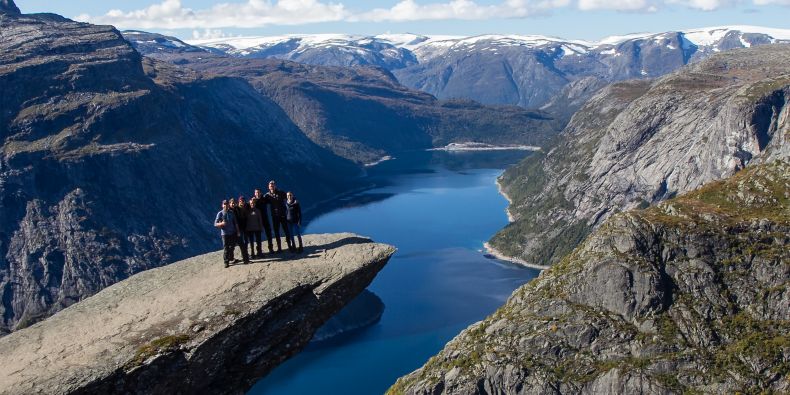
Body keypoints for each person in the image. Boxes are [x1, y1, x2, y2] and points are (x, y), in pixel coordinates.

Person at [265, 180, 294, 253]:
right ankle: (279, 248)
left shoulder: (281, 193)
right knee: (276, 232)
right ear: (268, 187)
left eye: (273, 185)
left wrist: (294, 201)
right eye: (270, 185)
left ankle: (289, 246)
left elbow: (289, 197)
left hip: (283, 215)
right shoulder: (267, 195)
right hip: (275, 216)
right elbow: (261, 201)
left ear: (275, 186)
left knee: (286, 231)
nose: (272, 186)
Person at [214, 199, 240, 268]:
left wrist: (238, 231)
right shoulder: (220, 213)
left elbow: (236, 223)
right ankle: (226, 262)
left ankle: (231, 258)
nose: (226, 205)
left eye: (227, 204)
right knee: (226, 248)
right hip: (224, 234)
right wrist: (221, 223)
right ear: (222, 205)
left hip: (232, 232)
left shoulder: (231, 212)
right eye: (224, 204)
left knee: (232, 247)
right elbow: (215, 224)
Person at [227, 197, 250, 264]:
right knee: (231, 245)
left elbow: (244, 206)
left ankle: (245, 259)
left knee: (241, 244)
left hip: (238, 229)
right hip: (231, 231)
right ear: (229, 204)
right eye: (232, 203)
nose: (233, 204)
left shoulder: (237, 209)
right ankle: (230, 258)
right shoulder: (228, 211)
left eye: (234, 203)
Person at [253, 188, 274, 254]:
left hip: (265, 218)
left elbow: (272, 200)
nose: (257, 193)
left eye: (258, 192)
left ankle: (271, 248)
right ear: (255, 193)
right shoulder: (254, 201)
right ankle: (259, 251)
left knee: (269, 234)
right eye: (256, 192)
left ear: (261, 193)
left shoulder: (264, 198)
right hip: (257, 220)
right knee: (258, 235)